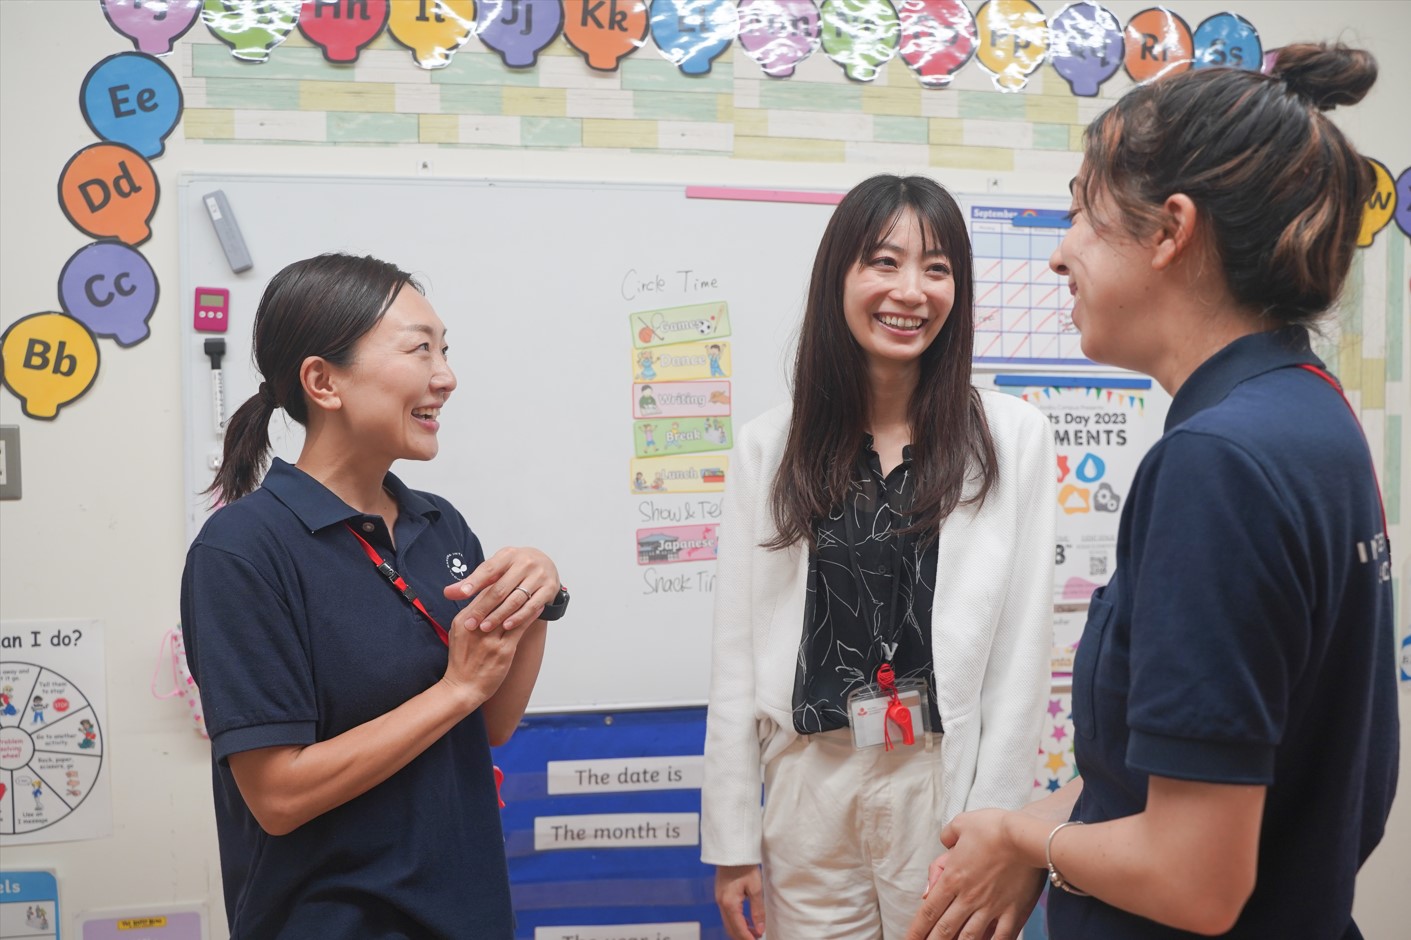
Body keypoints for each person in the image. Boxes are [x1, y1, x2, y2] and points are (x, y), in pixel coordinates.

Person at [906, 43, 1398, 940]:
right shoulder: (1309, 413)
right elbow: (1184, 772)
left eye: (1083, 218)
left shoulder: (1217, 465)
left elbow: (1193, 880)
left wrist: (1022, 837)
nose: (1059, 256)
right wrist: (1050, 833)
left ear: (1171, 231)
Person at [701, 174, 1055, 939]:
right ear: (841, 277)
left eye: (936, 268)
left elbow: (1022, 654)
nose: (910, 290)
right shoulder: (770, 446)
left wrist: (996, 823)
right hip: (807, 778)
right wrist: (732, 843)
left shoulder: (1012, 437)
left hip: (937, 776)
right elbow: (734, 654)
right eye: (883, 262)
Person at [181, 253, 567, 939]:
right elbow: (277, 796)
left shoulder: (438, 522)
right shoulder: (242, 549)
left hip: (467, 912)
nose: (445, 377)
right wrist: (454, 689)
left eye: (445, 350)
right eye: (420, 350)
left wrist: (533, 600)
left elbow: (489, 724)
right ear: (323, 382)